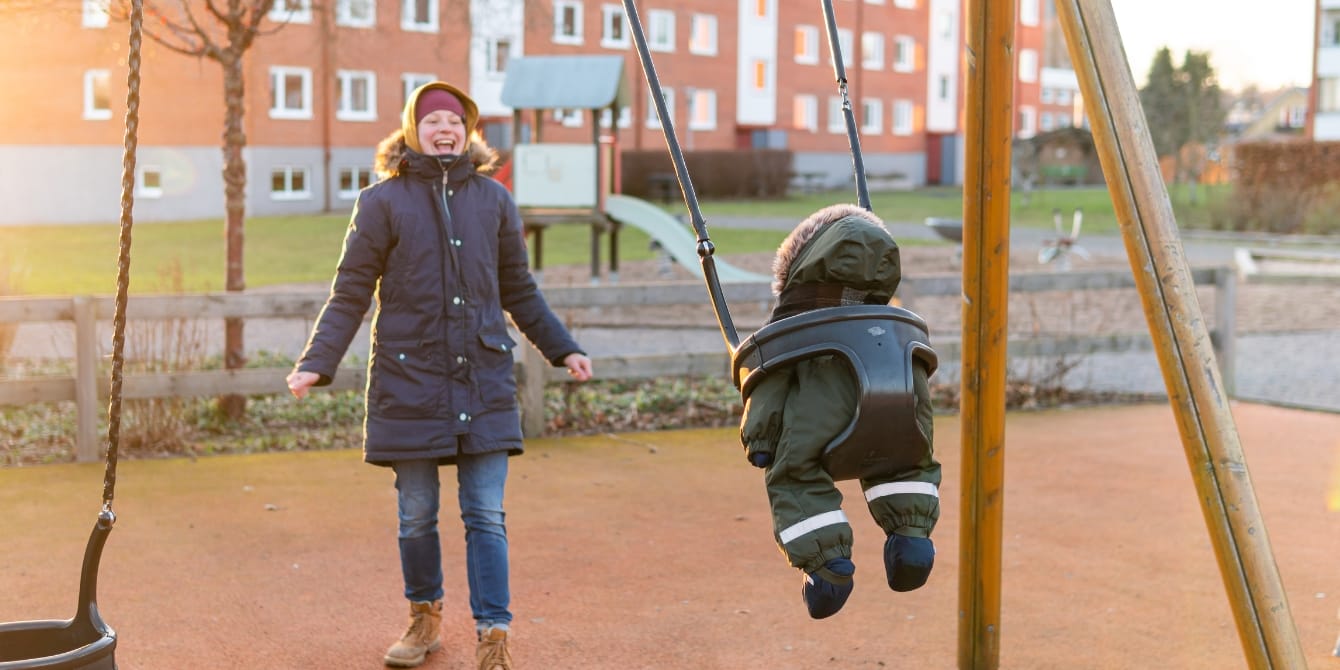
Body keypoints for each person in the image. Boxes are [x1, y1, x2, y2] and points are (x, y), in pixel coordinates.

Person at [286, 81, 593, 670]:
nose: (444, 129)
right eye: (432, 121)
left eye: (455, 120)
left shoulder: (494, 202)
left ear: (469, 131)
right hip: (410, 383)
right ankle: (424, 619)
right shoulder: (381, 203)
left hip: (483, 381)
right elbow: (350, 292)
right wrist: (316, 363)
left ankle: (492, 635)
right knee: (416, 513)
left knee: (485, 513)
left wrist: (563, 349)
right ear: (411, 130)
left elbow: (519, 291)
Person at [738, 203, 940, 619]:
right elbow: (920, 385)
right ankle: (911, 537)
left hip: (821, 428)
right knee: (906, 461)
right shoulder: (892, 326)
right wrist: (916, 422)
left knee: (794, 477)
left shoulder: (795, 330)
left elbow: (768, 388)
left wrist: (759, 441)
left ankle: (828, 569)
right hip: (897, 414)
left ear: (799, 271)